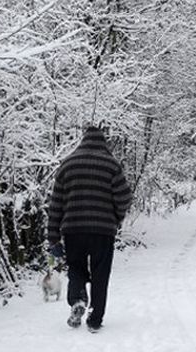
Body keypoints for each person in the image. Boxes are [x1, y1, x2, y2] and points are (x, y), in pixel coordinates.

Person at [47, 126, 132, 333]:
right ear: (103, 142)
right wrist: (116, 218)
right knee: (100, 274)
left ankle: (77, 299)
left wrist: (53, 237)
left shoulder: (67, 165)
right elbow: (124, 198)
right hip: (103, 230)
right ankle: (95, 319)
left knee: (76, 268)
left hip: (73, 229)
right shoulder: (111, 165)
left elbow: (56, 203)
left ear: (82, 141)